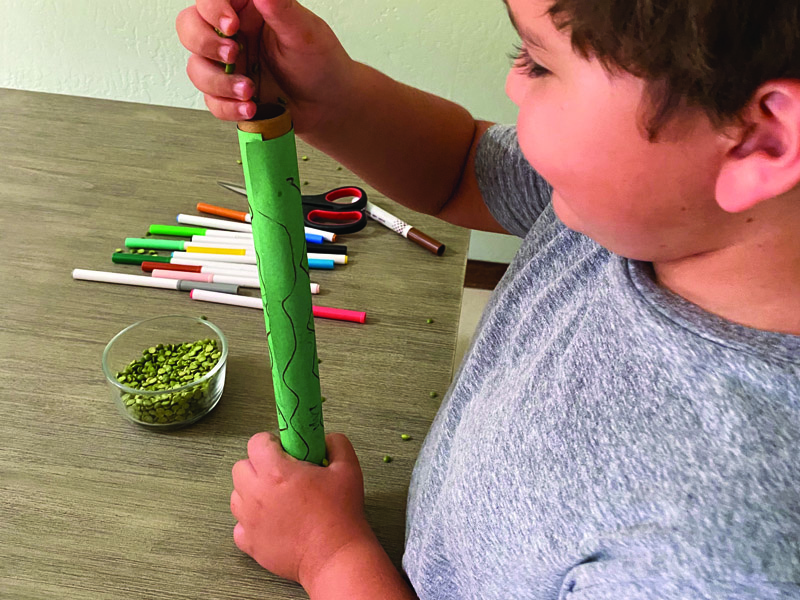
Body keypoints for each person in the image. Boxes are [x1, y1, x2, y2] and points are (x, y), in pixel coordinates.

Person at [176, 0, 800, 597]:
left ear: (759, 138)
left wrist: (329, 554)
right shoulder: (642, 212)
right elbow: (462, 166)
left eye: (538, 62)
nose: (512, 85)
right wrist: (332, 99)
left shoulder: (716, 561)